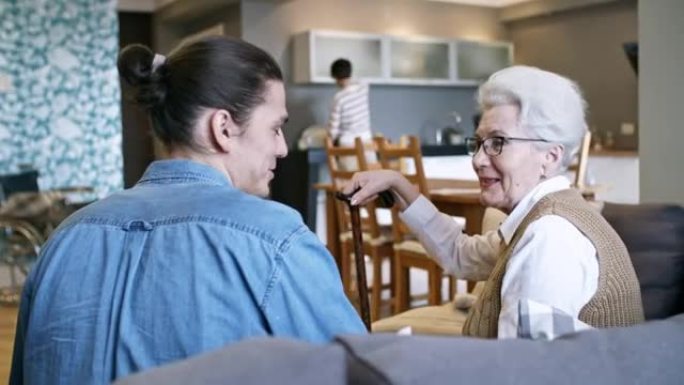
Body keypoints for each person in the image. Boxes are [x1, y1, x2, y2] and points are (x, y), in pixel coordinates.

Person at [10, 36, 365, 385]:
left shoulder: (64, 238)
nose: (283, 148)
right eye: (275, 128)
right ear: (223, 128)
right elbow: (362, 372)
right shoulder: (274, 238)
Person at [344, 65, 644, 339]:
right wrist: (400, 186)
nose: (477, 160)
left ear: (550, 158)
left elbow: (522, 371)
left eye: (498, 143)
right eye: (478, 143)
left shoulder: (550, 238)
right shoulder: (546, 216)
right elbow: (461, 255)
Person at [328, 58, 373, 152]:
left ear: (335, 77)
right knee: (370, 167)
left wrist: (330, 140)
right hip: (366, 139)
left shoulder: (339, 98)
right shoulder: (363, 87)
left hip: (348, 143)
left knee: (350, 167)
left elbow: (334, 127)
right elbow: (359, 80)